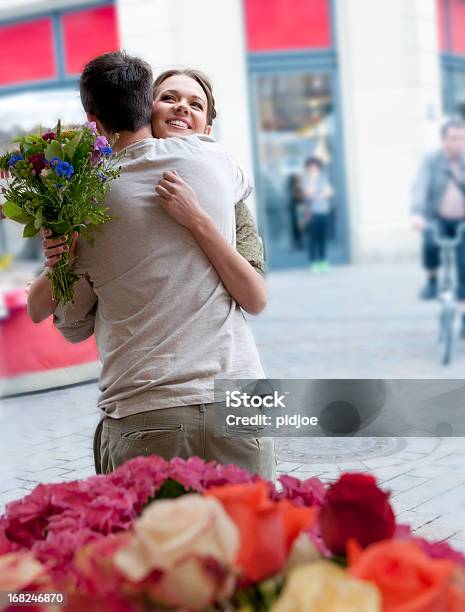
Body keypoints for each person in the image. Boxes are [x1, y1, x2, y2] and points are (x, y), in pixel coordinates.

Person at [27, 51, 275, 479]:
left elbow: (66, 323)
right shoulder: (215, 162)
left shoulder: (83, 204)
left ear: (93, 119)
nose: (181, 110)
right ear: (147, 106)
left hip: (147, 409)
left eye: (195, 105)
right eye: (170, 98)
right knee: (255, 544)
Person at [411, 118, 465, 336]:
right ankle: (432, 279)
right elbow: (420, 187)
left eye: (462, 138)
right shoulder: (431, 160)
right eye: (453, 138)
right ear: (443, 140)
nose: (458, 142)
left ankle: (463, 315)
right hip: (438, 217)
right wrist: (417, 214)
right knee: (431, 243)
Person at [303, 156, 334, 272]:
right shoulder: (306, 179)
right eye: (311, 167)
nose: (313, 169)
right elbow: (309, 194)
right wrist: (313, 181)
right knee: (313, 239)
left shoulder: (323, 178)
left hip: (324, 212)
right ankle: (313, 263)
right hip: (313, 214)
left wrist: (318, 195)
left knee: (322, 239)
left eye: (315, 166)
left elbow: (329, 192)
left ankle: (323, 262)